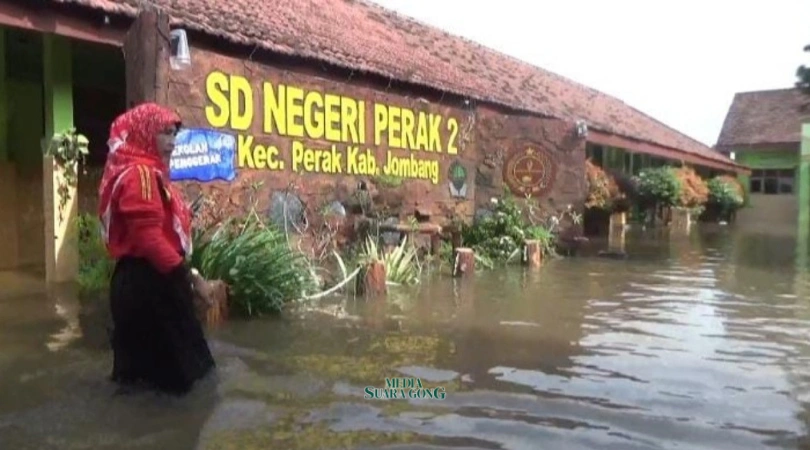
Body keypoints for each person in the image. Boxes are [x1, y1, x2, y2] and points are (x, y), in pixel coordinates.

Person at [97, 102, 215, 395]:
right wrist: (192, 281)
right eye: (164, 133)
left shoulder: (143, 173)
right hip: (151, 285)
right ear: (145, 134)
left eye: (174, 134)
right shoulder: (141, 175)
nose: (172, 143)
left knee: (140, 381)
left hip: (142, 281)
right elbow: (150, 239)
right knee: (184, 377)